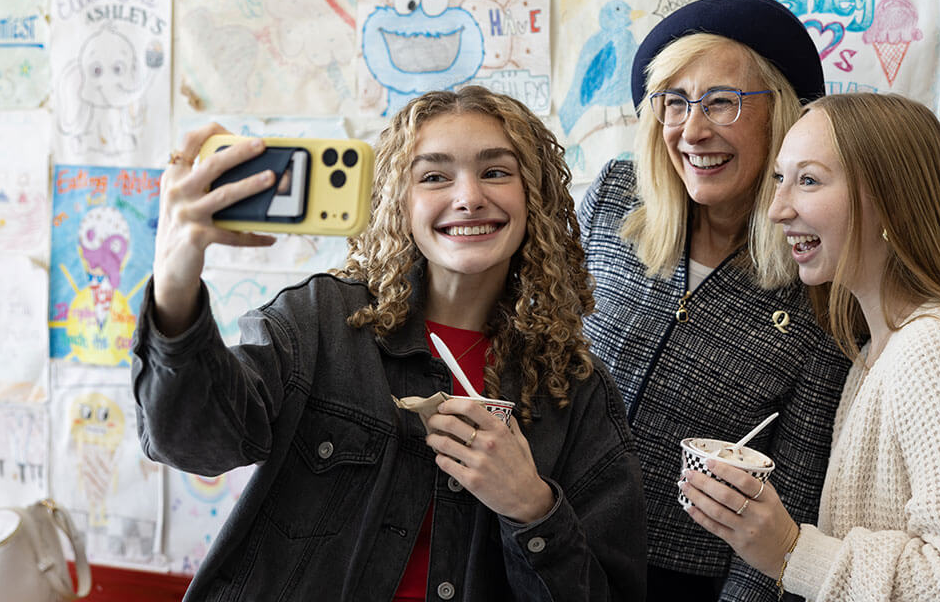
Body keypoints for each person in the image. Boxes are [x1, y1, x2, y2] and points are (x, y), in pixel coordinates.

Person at [132, 86, 647, 601]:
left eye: (495, 172)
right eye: (434, 176)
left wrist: (532, 507)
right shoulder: (321, 322)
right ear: (399, 202)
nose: (468, 197)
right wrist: (175, 284)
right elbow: (190, 441)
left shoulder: (575, 393)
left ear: (535, 195)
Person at [679, 92, 940, 600]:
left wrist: (790, 550)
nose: (777, 209)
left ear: (889, 199)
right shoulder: (875, 356)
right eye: (780, 179)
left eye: (809, 180)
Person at [577, 0, 849, 601]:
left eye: (721, 103)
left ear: (781, 114)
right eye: (673, 102)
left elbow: (793, 506)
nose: (692, 129)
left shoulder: (819, 280)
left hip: (682, 584)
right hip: (548, 541)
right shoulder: (613, 200)